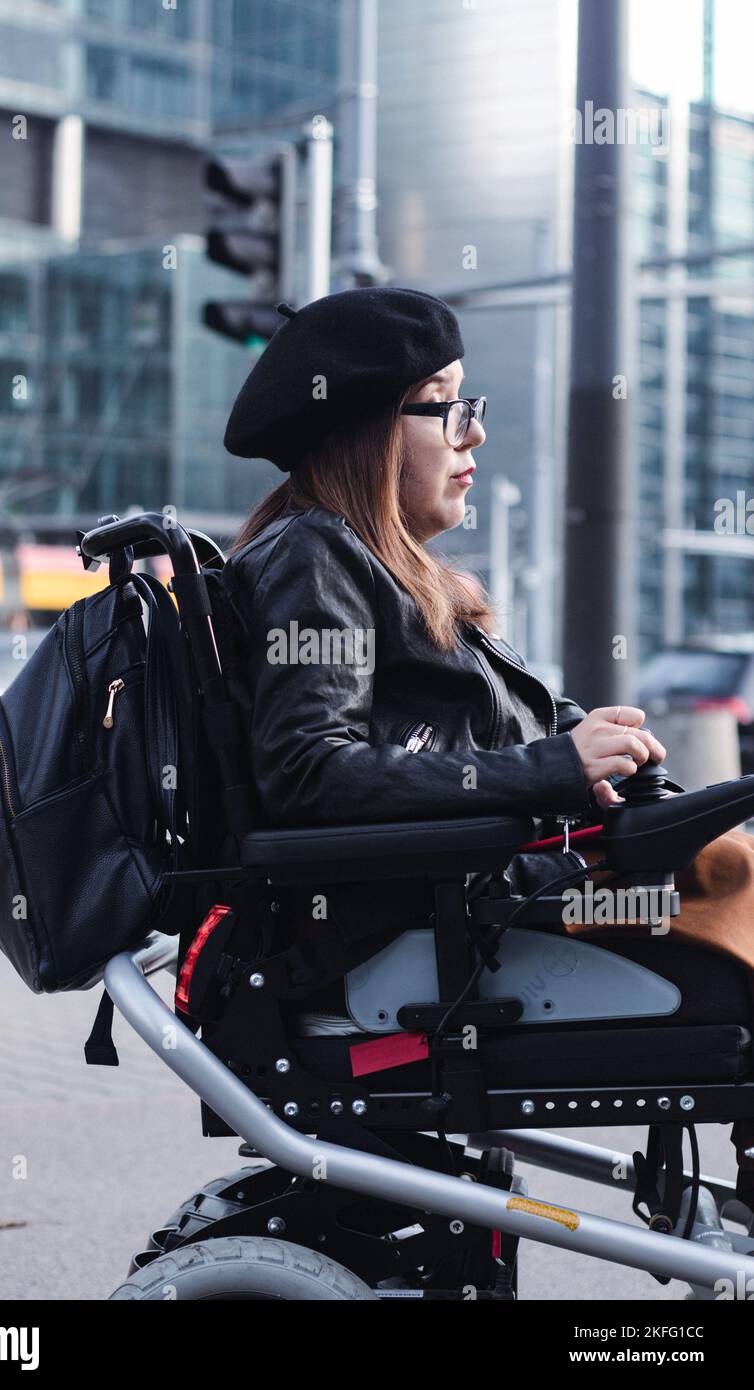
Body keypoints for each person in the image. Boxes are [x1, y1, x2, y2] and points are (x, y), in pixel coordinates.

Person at [218, 287, 754, 1010]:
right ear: (367, 429)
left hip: (488, 898)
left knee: (727, 864)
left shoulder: (385, 566)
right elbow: (309, 772)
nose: (472, 434)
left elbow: (467, 725)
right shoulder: (314, 558)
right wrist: (553, 766)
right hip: (462, 916)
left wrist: (590, 744)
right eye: (445, 405)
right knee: (735, 878)